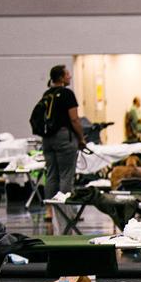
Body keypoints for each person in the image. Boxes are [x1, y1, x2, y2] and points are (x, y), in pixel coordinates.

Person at [41, 65, 87, 199]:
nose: (70, 76)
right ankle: (65, 212)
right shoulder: (67, 94)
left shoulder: (47, 94)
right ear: (61, 78)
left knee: (51, 174)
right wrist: (81, 138)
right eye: (67, 74)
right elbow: (74, 119)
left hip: (47, 139)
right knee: (66, 175)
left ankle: (49, 210)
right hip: (64, 138)